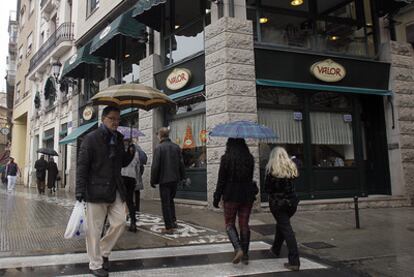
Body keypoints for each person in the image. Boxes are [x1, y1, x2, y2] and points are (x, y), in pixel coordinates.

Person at [76, 106, 132, 277]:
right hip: (95, 189)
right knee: (95, 229)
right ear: (103, 119)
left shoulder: (119, 138)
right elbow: (82, 166)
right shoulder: (91, 139)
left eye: (118, 119)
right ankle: (95, 263)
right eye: (112, 118)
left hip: (115, 188)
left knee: (120, 222)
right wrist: (80, 190)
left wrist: (129, 152)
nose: (116, 122)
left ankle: (103, 250)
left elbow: (121, 163)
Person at [213, 138, 257, 265]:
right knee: (244, 224)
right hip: (247, 195)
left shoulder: (226, 159)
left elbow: (221, 180)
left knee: (229, 223)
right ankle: (245, 254)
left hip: (231, 194)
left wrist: (217, 197)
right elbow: (250, 177)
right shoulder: (250, 158)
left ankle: (238, 248)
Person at [264, 147, 300, 271]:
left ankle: (294, 260)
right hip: (292, 203)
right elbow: (298, 165)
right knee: (282, 225)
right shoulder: (291, 167)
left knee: (286, 229)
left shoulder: (271, 171)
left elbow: (267, 189)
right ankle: (275, 249)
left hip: (278, 204)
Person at [150, 127, 185, 235]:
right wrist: (182, 177)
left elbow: (155, 166)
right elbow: (181, 164)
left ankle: (169, 227)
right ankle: (173, 221)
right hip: (174, 179)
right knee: (170, 201)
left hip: (164, 180)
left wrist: (153, 180)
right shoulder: (176, 147)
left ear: (160, 136)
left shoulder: (159, 148)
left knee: (165, 203)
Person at [121, 143, 142, 233]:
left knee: (118, 199)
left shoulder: (121, 151)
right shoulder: (136, 153)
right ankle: (133, 223)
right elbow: (138, 168)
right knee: (130, 201)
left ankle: (116, 221)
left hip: (122, 177)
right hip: (132, 178)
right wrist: (137, 180)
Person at [135, 144, 147, 212]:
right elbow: (142, 166)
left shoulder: (124, 148)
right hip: (137, 176)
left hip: (127, 177)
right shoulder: (138, 148)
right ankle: (137, 209)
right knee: (137, 192)